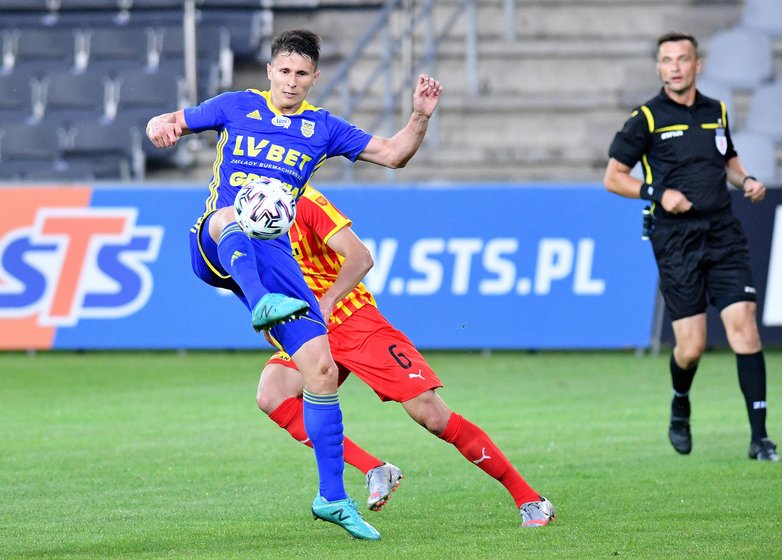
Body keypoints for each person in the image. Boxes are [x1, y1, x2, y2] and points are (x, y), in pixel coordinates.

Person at [146, 29, 442, 540]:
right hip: (216, 242)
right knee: (229, 215)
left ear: (314, 78)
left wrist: (419, 116)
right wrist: (160, 126)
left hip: (277, 256)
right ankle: (260, 301)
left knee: (321, 372)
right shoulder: (236, 106)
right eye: (284, 71)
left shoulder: (322, 128)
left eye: (301, 74)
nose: (291, 81)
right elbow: (170, 120)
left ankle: (333, 498)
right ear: (270, 72)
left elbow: (394, 154)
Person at [256, 185, 557, 528]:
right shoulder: (241, 216)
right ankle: (375, 468)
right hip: (310, 330)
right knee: (272, 393)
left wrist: (328, 300)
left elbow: (361, 257)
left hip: (354, 321)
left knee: (432, 415)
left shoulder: (305, 201)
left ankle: (530, 499)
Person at [603, 32, 780, 462]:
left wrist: (746, 180)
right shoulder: (646, 118)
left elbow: (728, 159)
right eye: (667, 60)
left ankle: (760, 439)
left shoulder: (716, 110)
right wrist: (658, 193)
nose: (675, 67)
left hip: (722, 232)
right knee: (692, 346)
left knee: (745, 328)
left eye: (682, 59)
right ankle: (680, 403)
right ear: (659, 68)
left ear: (697, 65)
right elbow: (613, 177)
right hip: (676, 239)